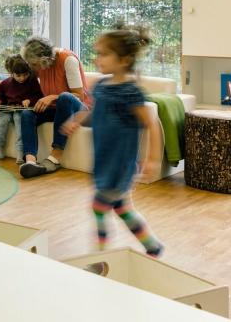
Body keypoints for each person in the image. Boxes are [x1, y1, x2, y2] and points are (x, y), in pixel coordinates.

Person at [61, 25, 163, 258]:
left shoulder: (131, 92)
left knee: (99, 206)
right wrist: (77, 119)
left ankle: (99, 256)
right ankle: (152, 245)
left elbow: (152, 124)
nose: (97, 59)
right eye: (97, 53)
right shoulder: (101, 86)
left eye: (104, 54)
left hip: (120, 163)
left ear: (124, 60)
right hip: (104, 158)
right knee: (122, 208)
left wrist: (152, 159)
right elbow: (95, 111)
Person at [14, 37, 92, 178]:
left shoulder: (68, 60)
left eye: (33, 64)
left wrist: (52, 97)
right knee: (27, 114)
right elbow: (15, 79)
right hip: (57, 109)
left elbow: (78, 96)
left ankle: (55, 158)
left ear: (44, 59)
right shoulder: (40, 65)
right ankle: (30, 161)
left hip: (79, 109)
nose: (31, 68)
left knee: (64, 97)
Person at [0, 55, 43, 163]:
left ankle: (20, 153)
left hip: (20, 111)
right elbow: (0, 96)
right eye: (18, 75)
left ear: (29, 72)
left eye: (25, 75)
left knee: (20, 124)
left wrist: (29, 101)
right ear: (12, 74)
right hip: (7, 109)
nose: (22, 78)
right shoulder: (5, 83)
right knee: (2, 122)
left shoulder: (33, 81)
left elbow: (39, 96)